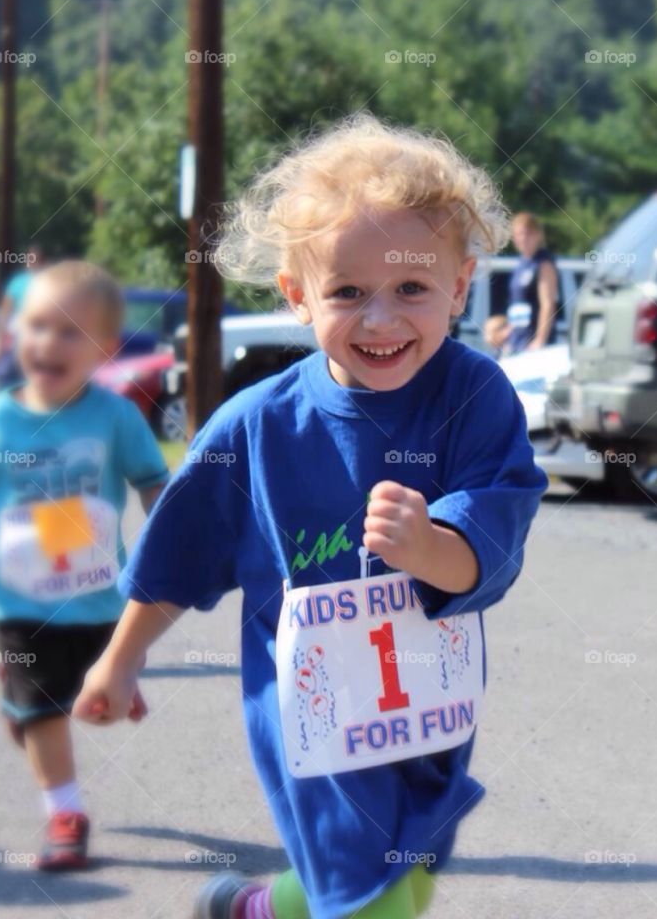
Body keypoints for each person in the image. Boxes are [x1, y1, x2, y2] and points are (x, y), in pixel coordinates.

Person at [72, 113, 548, 919]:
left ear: (460, 285)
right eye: (347, 292)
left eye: (412, 289)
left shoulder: (475, 395)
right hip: (316, 716)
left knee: (399, 874)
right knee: (375, 898)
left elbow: (497, 530)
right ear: (298, 296)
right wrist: (119, 661)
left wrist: (432, 545)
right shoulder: (255, 429)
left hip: (429, 707)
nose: (381, 319)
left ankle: (256, 909)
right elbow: (177, 559)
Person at [0, 261, 169, 870]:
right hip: (20, 601)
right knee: (45, 711)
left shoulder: (114, 417)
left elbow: (153, 482)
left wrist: (172, 540)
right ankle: (65, 812)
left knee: (86, 701)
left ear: (104, 351)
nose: (48, 343)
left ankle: (107, 681)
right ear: (14, 335)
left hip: (101, 593)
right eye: (36, 327)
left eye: (69, 332)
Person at [486, 212, 560, 356]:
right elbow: (518, 308)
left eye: (527, 234)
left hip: (533, 343)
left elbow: (547, 305)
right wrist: (507, 334)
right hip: (517, 342)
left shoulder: (543, 264)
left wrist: (540, 340)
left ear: (538, 235)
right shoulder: (520, 265)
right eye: (518, 234)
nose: (523, 239)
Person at [0, 245, 45, 389]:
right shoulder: (17, 282)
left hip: (39, 335)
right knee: (5, 375)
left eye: (37, 259)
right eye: (30, 259)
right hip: (16, 333)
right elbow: (5, 313)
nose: (33, 262)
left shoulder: (49, 283)